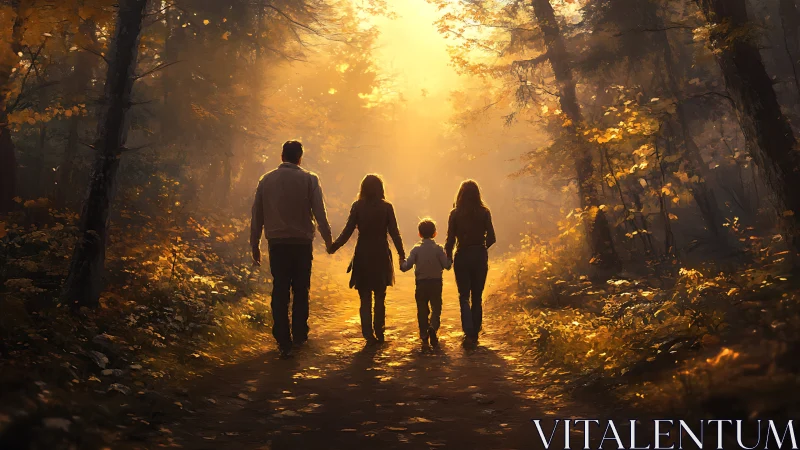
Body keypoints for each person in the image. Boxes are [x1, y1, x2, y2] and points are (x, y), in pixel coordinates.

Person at [250, 140, 333, 358]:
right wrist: (329, 240)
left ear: (281, 156)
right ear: (300, 157)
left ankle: (281, 337)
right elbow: (320, 214)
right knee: (300, 289)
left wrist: (255, 244)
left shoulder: (266, 180)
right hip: (301, 243)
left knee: (280, 289)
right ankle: (299, 334)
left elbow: (257, 215)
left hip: (277, 243)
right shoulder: (309, 179)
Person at [329, 174, 405, 345]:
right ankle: (379, 330)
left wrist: (335, 246)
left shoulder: (357, 206)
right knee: (380, 295)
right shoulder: (386, 207)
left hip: (363, 252)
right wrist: (401, 253)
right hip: (380, 253)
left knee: (364, 297)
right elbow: (394, 232)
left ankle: (367, 333)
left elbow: (348, 231)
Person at [445, 180, 496, 347]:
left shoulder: (455, 213)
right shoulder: (484, 212)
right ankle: (476, 330)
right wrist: (481, 248)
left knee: (464, 296)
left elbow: (450, 239)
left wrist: (448, 257)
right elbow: (492, 238)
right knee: (477, 296)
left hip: (462, 255)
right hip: (479, 256)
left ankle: (468, 331)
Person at [400, 219, 452, 350]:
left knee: (422, 310)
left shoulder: (416, 249)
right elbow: (447, 266)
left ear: (419, 234)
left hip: (421, 284)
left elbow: (406, 267)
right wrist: (450, 256)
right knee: (436, 307)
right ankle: (433, 327)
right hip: (436, 283)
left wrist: (401, 261)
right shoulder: (438, 249)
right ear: (435, 233)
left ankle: (424, 334)